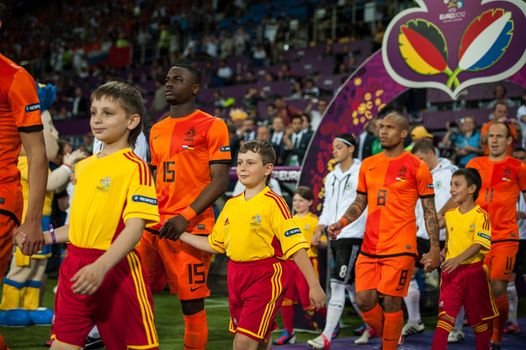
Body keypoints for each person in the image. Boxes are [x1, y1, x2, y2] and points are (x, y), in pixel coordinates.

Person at [17, 81, 160, 349]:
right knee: (62, 345)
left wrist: (102, 266)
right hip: (75, 265)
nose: (97, 119)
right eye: (94, 112)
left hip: (117, 269)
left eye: (108, 113)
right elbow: (78, 226)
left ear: (132, 121)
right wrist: (40, 237)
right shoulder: (83, 167)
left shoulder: (135, 167)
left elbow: (135, 228)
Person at [173, 140, 325, 350]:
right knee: (260, 339)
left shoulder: (274, 202)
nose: (243, 168)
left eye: (251, 163)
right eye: (240, 162)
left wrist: (314, 285)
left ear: (268, 169)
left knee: (243, 342)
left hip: (266, 276)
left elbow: (295, 247)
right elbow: (216, 244)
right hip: (235, 276)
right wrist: (180, 235)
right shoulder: (231, 204)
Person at [328, 112, 441, 350]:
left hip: (401, 246)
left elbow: (429, 210)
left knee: (392, 301)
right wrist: (341, 222)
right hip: (370, 245)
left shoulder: (418, 167)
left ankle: (389, 345)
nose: (383, 131)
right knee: (364, 300)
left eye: (389, 127)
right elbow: (360, 202)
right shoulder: (368, 164)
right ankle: (392, 338)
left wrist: (434, 247)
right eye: (381, 127)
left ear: (403, 133)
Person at [137, 63, 231, 350]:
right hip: (154, 224)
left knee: (191, 304)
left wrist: (185, 216)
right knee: (136, 294)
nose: (168, 84)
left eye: (177, 79)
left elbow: (220, 181)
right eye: (167, 79)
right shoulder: (156, 128)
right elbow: (154, 176)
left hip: (190, 227)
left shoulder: (213, 125)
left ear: (194, 88)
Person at [307, 134, 371, 350]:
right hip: (335, 235)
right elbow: (327, 206)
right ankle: (374, 325)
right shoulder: (332, 175)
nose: (334, 150)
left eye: (339, 147)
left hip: (352, 234)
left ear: (351, 149)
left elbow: (365, 202)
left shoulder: (363, 170)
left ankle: (326, 336)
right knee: (352, 287)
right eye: (333, 147)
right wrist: (319, 228)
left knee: (337, 283)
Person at [467, 122, 526, 349]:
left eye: (500, 136)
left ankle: (497, 335)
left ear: (509, 141)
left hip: (506, 237)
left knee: (499, 287)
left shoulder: (519, 167)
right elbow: (462, 195)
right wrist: (444, 216)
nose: (494, 140)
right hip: (478, 238)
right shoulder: (475, 164)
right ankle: (490, 330)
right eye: (491, 136)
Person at [431, 168, 497, 350]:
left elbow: (479, 244)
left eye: (457, 185)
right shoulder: (450, 216)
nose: (452, 189)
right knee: (444, 320)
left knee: (478, 322)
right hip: (451, 275)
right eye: (451, 185)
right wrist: (439, 254)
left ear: (472, 189)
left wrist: (457, 259)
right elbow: (449, 241)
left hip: (474, 274)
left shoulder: (481, 215)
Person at [403, 139, 458, 338]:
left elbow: (460, 196)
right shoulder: (418, 174)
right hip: (421, 235)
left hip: (446, 235)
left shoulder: (450, 171)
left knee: (451, 281)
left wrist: (440, 215)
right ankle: (414, 320)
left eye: (420, 159)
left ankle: (455, 327)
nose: (418, 163)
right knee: (407, 274)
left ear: (431, 154)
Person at [273, 186, 327, 345]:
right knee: (285, 300)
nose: (297, 203)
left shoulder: (316, 221)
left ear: (310, 202)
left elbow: (324, 242)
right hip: (288, 264)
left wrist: (319, 243)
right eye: (295, 200)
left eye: (301, 200)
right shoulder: (288, 220)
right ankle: (289, 332)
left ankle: (332, 323)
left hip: (307, 264)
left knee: (310, 301)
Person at [506, 147, 526, 335]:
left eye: (523, 158)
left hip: (525, 238)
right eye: (517, 159)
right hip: (511, 238)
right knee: (509, 279)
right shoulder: (507, 184)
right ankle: (512, 321)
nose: (521, 162)